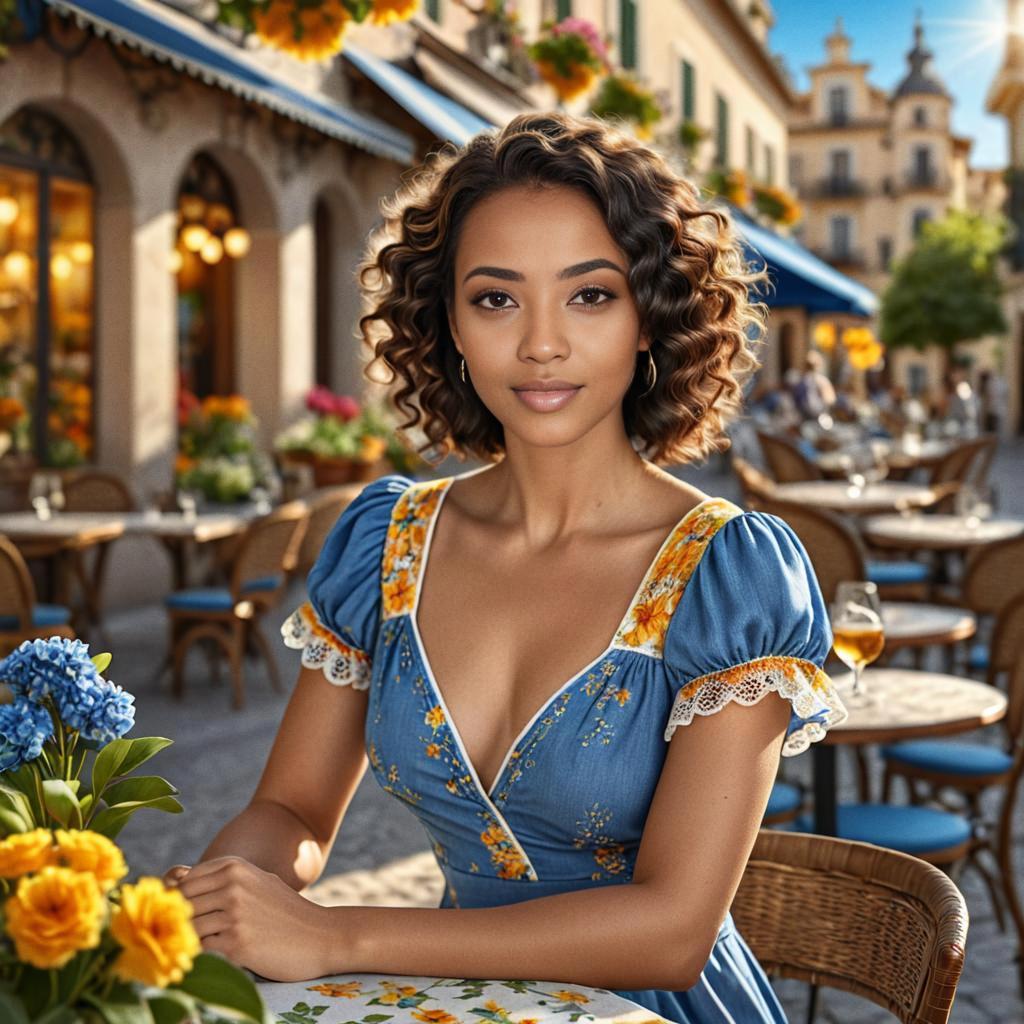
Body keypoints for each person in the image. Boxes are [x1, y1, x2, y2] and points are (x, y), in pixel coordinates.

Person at [163, 113, 847, 1022]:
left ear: (652, 315)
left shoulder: (731, 575)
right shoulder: (385, 543)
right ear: (447, 320)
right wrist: (221, 895)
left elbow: (673, 933)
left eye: (590, 295)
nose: (541, 344)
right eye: (496, 298)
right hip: (463, 1002)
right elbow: (290, 810)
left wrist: (337, 937)